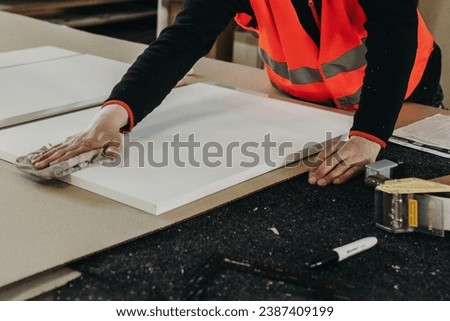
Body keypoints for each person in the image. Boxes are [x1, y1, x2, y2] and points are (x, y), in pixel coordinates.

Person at [32, 0, 443, 186]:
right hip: (297, 104)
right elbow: (183, 40)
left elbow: (395, 36)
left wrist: (370, 135)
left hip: (402, 99)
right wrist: (112, 115)